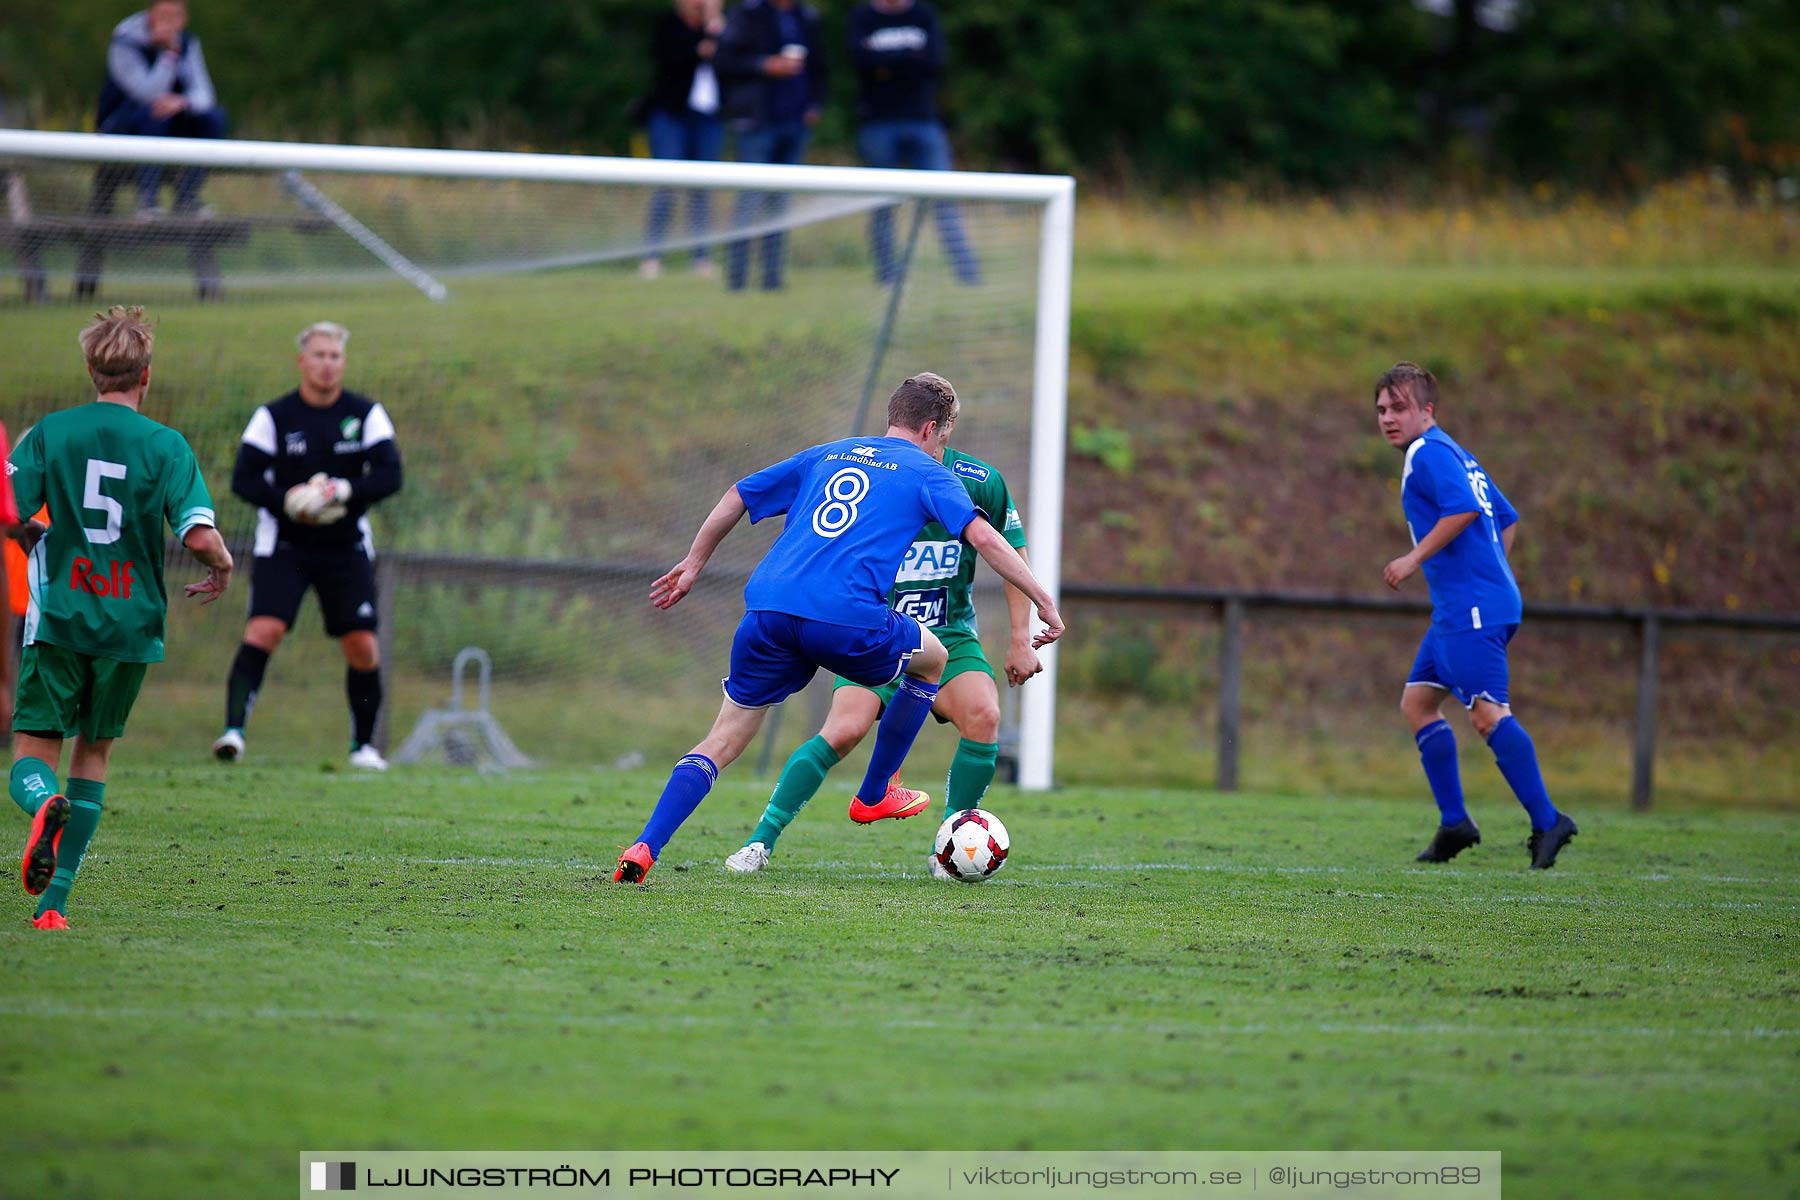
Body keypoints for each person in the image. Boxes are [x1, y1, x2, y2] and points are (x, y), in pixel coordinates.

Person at [614, 372, 1063, 883]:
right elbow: (986, 541)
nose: (945, 446)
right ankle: (874, 793)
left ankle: (645, 846)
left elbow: (737, 494)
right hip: (846, 618)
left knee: (721, 739)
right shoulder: (928, 470)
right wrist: (1044, 600)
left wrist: (693, 564)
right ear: (932, 428)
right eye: (944, 436)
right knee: (933, 658)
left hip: (768, 610)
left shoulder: (829, 452)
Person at [726, 425, 1035, 875]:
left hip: (949, 633)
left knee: (985, 717)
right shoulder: (877, 473)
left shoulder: (978, 480)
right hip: (876, 629)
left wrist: (1021, 638)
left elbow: (1013, 555)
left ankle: (950, 844)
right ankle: (758, 843)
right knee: (843, 730)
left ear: (941, 428)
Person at [12, 305, 234, 931]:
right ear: (146, 375)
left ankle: (41, 803)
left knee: (32, 753)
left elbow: (9, 505)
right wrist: (222, 566)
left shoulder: (53, 432)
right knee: (95, 754)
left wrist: (29, 532)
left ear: (91, 369)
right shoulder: (167, 446)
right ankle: (53, 905)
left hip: (59, 616)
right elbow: (197, 535)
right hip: (131, 625)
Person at [1374, 362, 1577, 869]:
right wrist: (1489, 572)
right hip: (1465, 606)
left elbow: (1464, 509)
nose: (1388, 418)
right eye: (1381, 409)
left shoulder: (1428, 452)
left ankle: (1549, 820)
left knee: (1487, 715)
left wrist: (1415, 559)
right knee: (1418, 704)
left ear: (1427, 411)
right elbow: (1504, 517)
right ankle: (1455, 823)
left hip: (1473, 609)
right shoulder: (1456, 453)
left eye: (1399, 407)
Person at [212, 322, 403, 770]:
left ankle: (363, 747)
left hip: (346, 546)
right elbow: (244, 479)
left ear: (343, 362)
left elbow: (390, 475)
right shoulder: (275, 417)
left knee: (363, 646)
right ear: (302, 360)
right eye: (319, 355)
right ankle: (233, 732)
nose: (327, 363)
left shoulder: (366, 414)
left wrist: (343, 491)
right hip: (285, 544)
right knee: (264, 630)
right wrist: (289, 503)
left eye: (334, 356)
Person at [848, 0, 979, 285]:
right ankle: (887, 276)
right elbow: (861, 62)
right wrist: (908, 56)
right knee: (882, 202)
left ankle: (967, 274)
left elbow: (934, 62)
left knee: (943, 197)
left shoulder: (923, 14)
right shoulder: (863, 16)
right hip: (877, 123)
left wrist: (885, 60)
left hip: (923, 119)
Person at [716, 0, 828, 291]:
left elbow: (820, 64)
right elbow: (725, 60)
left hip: (795, 121)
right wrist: (765, 65)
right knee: (750, 199)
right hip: (758, 121)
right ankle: (737, 279)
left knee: (780, 204)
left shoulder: (807, 16)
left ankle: (772, 278)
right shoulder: (747, 13)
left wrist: (815, 103)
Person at [95, 0, 228, 216]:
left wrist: (184, 103)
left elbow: (205, 94)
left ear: (184, 19)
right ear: (150, 15)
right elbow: (147, 93)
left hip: (169, 123)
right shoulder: (125, 41)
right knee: (155, 114)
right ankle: (147, 200)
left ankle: (187, 197)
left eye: (174, 16)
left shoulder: (188, 42)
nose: (168, 23)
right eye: (162, 15)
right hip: (122, 128)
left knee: (213, 118)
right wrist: (169, 55)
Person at [641, 0, 728, 280]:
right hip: (672, 114)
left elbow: (731, 62)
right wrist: (702, 43)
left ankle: (701, 257)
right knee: (666, 185)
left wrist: (715, 26)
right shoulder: (668, 25)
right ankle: (652, 257)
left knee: (702, 189)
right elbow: (670, 60)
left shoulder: (721, 29)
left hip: (709, 117)